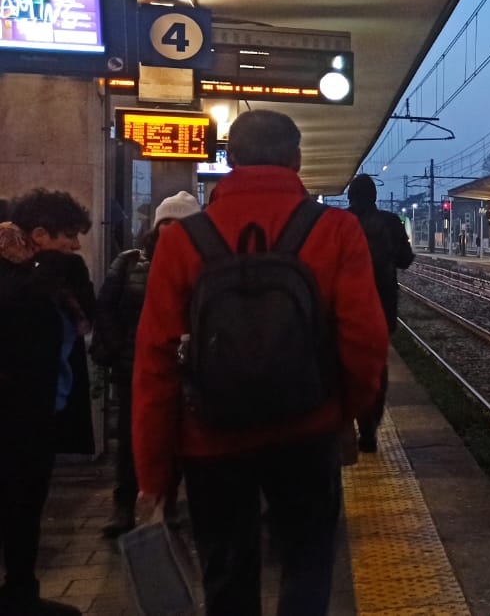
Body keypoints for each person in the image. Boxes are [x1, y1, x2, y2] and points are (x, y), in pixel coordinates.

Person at [134, 110, 388, 616]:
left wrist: (154, 473)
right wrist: (347, 414)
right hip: (307, 430)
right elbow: (366, 338)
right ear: (295, 160)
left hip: (210, 440)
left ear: (231, 159)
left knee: (226, 576)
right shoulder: (336, 229)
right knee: (307, 565)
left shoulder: (182, 240)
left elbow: (155, 360)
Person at [1, 190, 94, 616]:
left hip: (38, 412)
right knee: (18, 503)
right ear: (38, 234)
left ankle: (22, 591)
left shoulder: (52, 279)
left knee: (26, 505)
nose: (75, 246)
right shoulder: (17, 279)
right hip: (16, 415)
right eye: (68, 236)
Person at [94, 192, 202, 537]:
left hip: (184, 367)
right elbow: (106, 308)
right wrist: (119, 348)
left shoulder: (202, 264)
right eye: (166, 221)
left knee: (177, 437)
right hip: (132, 366)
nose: (172, 229)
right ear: (156, 226)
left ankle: (167, 501)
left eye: (180, 223)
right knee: (131, 438)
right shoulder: (128, 262)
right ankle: (125, 504)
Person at [346, 174, 415, 452]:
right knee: (376, 365)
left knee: (343, 363)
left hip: (346, 304)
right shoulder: (390, 222)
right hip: (382, 304)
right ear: (374, 197)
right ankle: (370, 429)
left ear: (350, 197)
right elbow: (405, 260)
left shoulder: (339, 221)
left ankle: (344, 426)